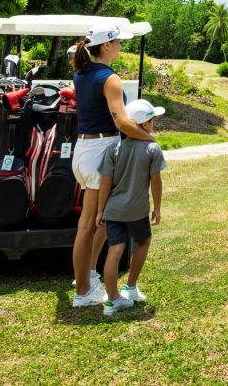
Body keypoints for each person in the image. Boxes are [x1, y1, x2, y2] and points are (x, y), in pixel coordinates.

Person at [69, 25, 155, 308]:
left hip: (84, 150)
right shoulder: (110, 79)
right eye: (117, 42)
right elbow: (121, 121)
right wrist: (148, 137)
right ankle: (82, 292)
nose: (120, 46)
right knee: (88, 225)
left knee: (103, 219)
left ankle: (88, 276)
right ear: (106, 46)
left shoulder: (81, 74)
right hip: (100, 151)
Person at [97, 99, 167, 317]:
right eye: (152, 120)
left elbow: (105, 183)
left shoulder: (112, 149)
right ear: (144, 125)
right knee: (143, 241)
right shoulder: (152, 149)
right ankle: (131, 287)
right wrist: (157, 208)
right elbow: (156, 182)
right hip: (137, 210)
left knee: (114, 251)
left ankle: (112, 300)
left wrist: (100, 211)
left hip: (113, 209)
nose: (153, 124)